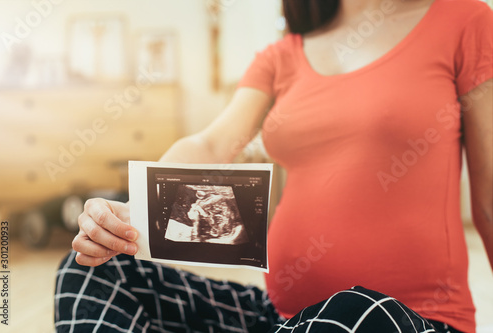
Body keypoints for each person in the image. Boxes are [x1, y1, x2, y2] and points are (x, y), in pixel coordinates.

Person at [54, 0, 493, 332]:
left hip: (408, 320)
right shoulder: (282, 55)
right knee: (87, 270)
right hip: (281, 318)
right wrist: (127, 218)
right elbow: (213, 143)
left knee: (353, 312)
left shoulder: (464, 21)